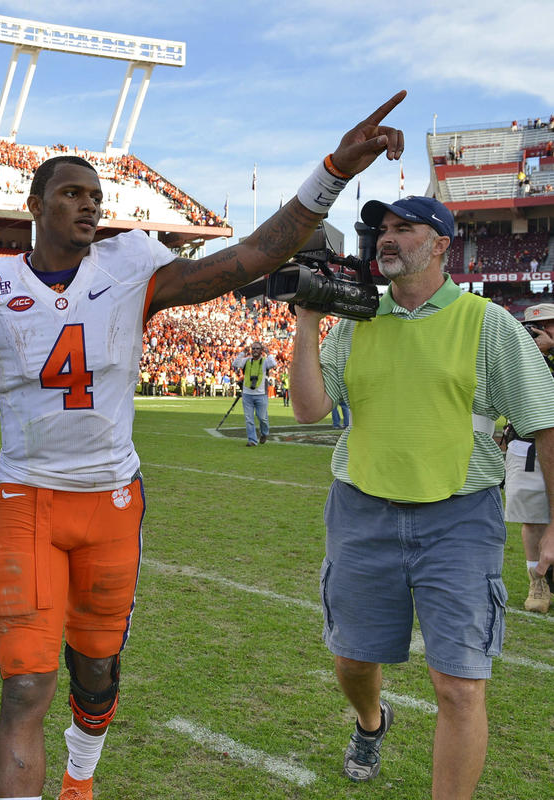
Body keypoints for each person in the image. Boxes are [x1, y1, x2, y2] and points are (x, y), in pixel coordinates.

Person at [0, 91, 407, 800]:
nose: (88, 205)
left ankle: (80, 782)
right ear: (34, 203)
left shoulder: (131, 271)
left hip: (111, 503)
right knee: (24, 687)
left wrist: (333, 171)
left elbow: (253, 255)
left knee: (96, 675)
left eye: (96, 195)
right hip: (26, 502)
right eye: (72, 193)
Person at [290, 195, 554, 797]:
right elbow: (308, 410)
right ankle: (371, 721)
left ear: (441, 244)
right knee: (353, 662)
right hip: (362, 510)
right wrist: (306, 322)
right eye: (381, 229)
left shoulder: (488, 323)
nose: (387, 238)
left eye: (404, 229)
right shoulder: (357, 321)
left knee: (459, 685)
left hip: (460, 517)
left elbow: (546, 424)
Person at [504, 302, 554, 613]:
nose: (542, 331)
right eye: (536, 327)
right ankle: (538, 582)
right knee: (533, 517)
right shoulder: (519, 357)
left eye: (549, 324)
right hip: (527, 443)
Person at [232, 341, 276, 446]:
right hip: (247, 394)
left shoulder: (265, 361)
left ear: (261, 351)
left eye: (257, 348)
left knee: (262, 418)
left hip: (261, 395)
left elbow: (273, 364)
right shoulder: (247, 360)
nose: (255, 350)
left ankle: (264, 433)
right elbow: (235, 364)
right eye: (253, 348)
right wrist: (243, 353)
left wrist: (268, 353)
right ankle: (252, 440)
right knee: (249, 419)